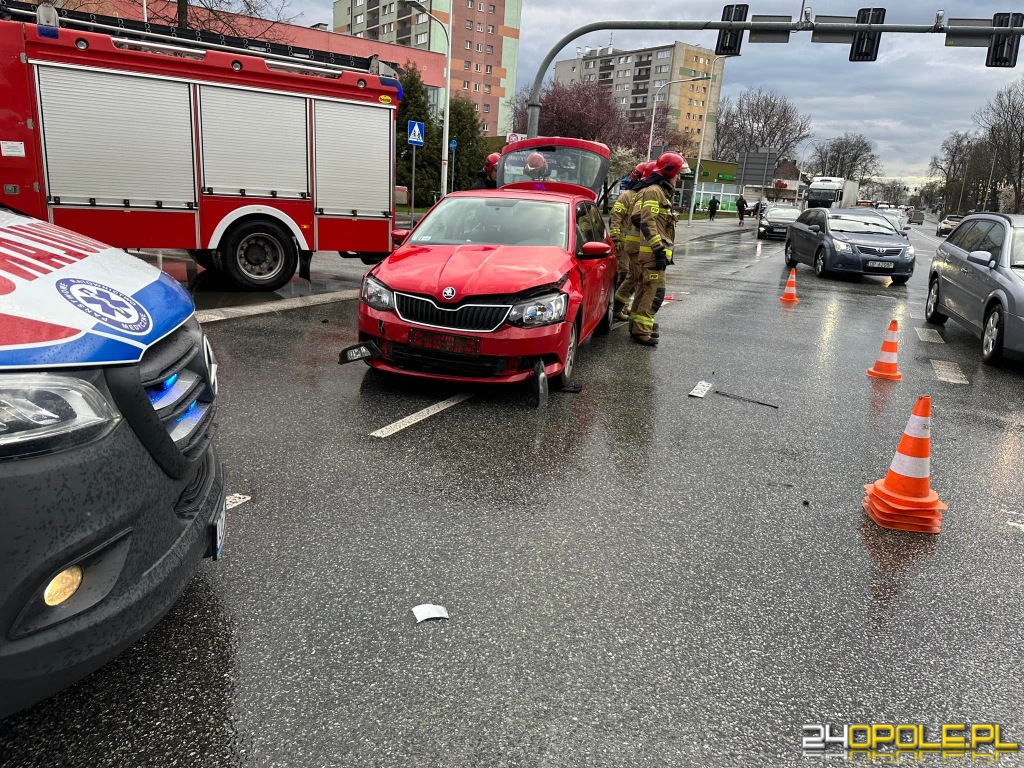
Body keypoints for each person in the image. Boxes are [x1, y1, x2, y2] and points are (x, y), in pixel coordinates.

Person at [628, 151, 684, 347]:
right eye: (678, 174)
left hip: (652, 253)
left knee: (645, 291)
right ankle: (642, 331)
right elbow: (647, 221)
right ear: (669, 173)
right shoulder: (654, 191)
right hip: (653, 254)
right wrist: (658, 248)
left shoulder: (658, 192)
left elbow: (646, 220)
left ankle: (637, 326)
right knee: (655, 292)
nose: (679, 178)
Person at [609, 162, 647, 313]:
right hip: (624, 245)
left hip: (638, 245)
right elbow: (616, 216)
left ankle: (622, 306)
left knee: (634, 277)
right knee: (624, 274)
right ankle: (617, 308)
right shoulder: (628, 196)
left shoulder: (644, 196)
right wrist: (615, 238)